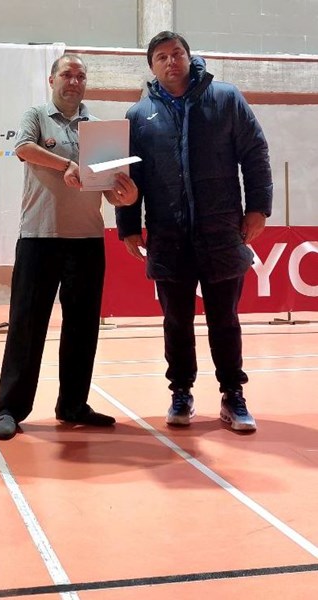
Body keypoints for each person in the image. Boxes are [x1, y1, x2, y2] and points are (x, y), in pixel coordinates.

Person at [115, 31, 273, 432]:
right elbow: (129, 177)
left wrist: (258, 208)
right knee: (176, 322)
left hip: (221, 232)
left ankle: (232, 395)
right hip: (168, 237)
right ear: (152, 67)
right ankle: (181, 393)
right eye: (161, 57)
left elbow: (255, 152)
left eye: (177, 53)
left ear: (189, 57)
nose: (171, 61)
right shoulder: (139, 115)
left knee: (225, 320)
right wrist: (129, 226)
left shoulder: (226, 98)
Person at [0, 54, 138, 441]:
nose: (74, 81)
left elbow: (110, 190)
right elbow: (24, 148)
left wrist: (126, 196)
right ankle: (10, 409)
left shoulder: (100, 130)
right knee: (26, 326)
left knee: (82, 328)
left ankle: (73, 404)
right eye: (67, 74)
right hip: (39, 238)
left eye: (80, 76)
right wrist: (65, 165)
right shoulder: (37, 116)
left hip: (87, 240)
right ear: (51, 79)